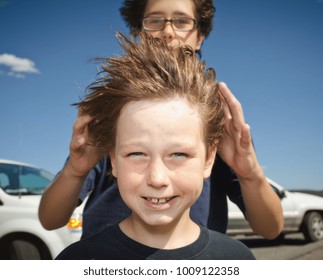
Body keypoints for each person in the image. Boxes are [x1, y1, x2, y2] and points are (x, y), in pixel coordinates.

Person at [39, 0, 283, 240]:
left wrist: (249, 172)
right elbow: (50, 220)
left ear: (199, 36)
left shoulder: (214, 117)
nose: (167, 31)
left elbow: (270, 229)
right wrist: (74, 170)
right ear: (138, 32)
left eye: (181, 21)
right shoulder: (113, 109)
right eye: (154, 20)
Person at [56, 32, 255, 260]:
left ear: (209, 158)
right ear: (113, 160)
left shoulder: (237, 259)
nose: (157, 178)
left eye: (178, 154)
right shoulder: (76, 261)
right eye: (137, 153)